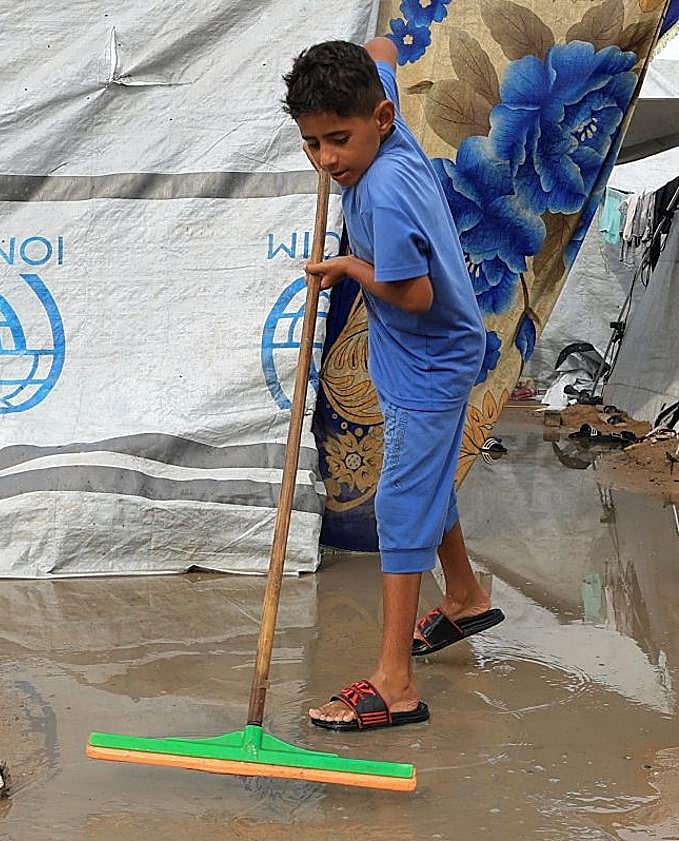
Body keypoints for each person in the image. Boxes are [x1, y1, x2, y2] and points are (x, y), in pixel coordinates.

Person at [282, 38, 505, 730]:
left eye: (337, 140)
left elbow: (413, 294)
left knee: (402, 504)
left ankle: (395, 682)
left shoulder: (382, 195)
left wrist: (348, 267)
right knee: (424, 478)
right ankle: (464, 596)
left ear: (379, 119)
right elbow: (379, 48)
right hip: (421, 352)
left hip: (427, 363)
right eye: (313, 143)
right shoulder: (385, 127)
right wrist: (359, 65)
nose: (327, 160)